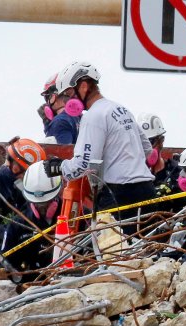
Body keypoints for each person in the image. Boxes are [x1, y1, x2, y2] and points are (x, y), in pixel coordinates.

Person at [44, 61, 155, 225]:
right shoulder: (121, 109)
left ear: (82, 86)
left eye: (68, 93)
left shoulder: (93, 116)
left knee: (111, 249)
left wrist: (59, 167)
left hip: (118, 196)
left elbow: (84, 164)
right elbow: (147, 148)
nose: (67, 101)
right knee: (146, 246)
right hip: (147, 190)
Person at [2, 162, 62, 272]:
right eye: (37, 203)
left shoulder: (77, 215)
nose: (42, 207)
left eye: (46, 202)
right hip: (35, 282)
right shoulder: (17, 226)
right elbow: (8, 265)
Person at [39, 73, 81, 144]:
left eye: (47, 97)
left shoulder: (60, 121)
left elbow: (62, 152)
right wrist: (48, 125)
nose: (47, 102)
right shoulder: (80, 117)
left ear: (54, 96)